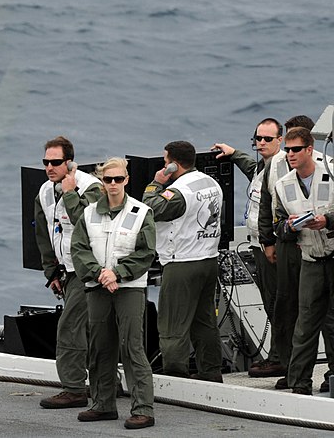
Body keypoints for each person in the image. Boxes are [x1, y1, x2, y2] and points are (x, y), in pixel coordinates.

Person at [71, 158, 156, 430]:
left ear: (127, 180)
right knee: (99, 347)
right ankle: (103, 404)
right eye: (108, 180)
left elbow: (145, 253)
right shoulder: (88, 213)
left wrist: (116, 273)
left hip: (128, 288)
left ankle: (143, 408)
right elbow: (79, 250)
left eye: (118, 179)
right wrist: (100, 274)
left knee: (132, 347)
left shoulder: (142, 212)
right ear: (102, 182)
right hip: (98, 288)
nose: (113, 185)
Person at [259, 115, 334, 392]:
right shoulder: (283, 185)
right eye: (287, 149)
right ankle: (299, 381)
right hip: (310, 258)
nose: (290, 155)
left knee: (333, 323)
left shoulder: (332, 173)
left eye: (295, 149)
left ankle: (332, 378)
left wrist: (328, 221)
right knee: (304, 323)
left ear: (310, 149)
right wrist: (288, 228)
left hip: (333, 254)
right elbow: (277, 222)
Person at [142, 141, 223, 382]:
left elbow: (150, 208)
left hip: (182, 263)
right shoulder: (211, 183)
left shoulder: (179, 192)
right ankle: (211, 372)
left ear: (173, 165)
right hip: (208, 259)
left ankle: (175, 376)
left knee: (172, 325)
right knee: (204, 321)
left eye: (165, 162)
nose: (164, 165)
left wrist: (156, 183)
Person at [33, 136, 103, 408]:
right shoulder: (44, 191)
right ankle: (101, 383)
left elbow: (91, 225)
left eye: (56, 162)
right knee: (87, 328)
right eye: (46, 162)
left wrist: (71, 192)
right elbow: (44, 233)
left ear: (70, 162)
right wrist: (51, 272)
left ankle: (74, 388)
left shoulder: (90, 187)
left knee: (71, 327)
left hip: (92, 269)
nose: (50, 167)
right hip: (69, 270)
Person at [212, 118, 285, 378]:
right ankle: (278, 356)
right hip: (258, 243)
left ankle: (279, 358)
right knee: (268, 301)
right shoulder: (263, 166)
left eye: (267, 139)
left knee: (277, 303)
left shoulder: (281, 168)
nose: (261, 143)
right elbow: (252, 168)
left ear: (281, 140)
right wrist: (233, 154)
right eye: (258, 139)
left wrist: (270, 242)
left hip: (271, 246)